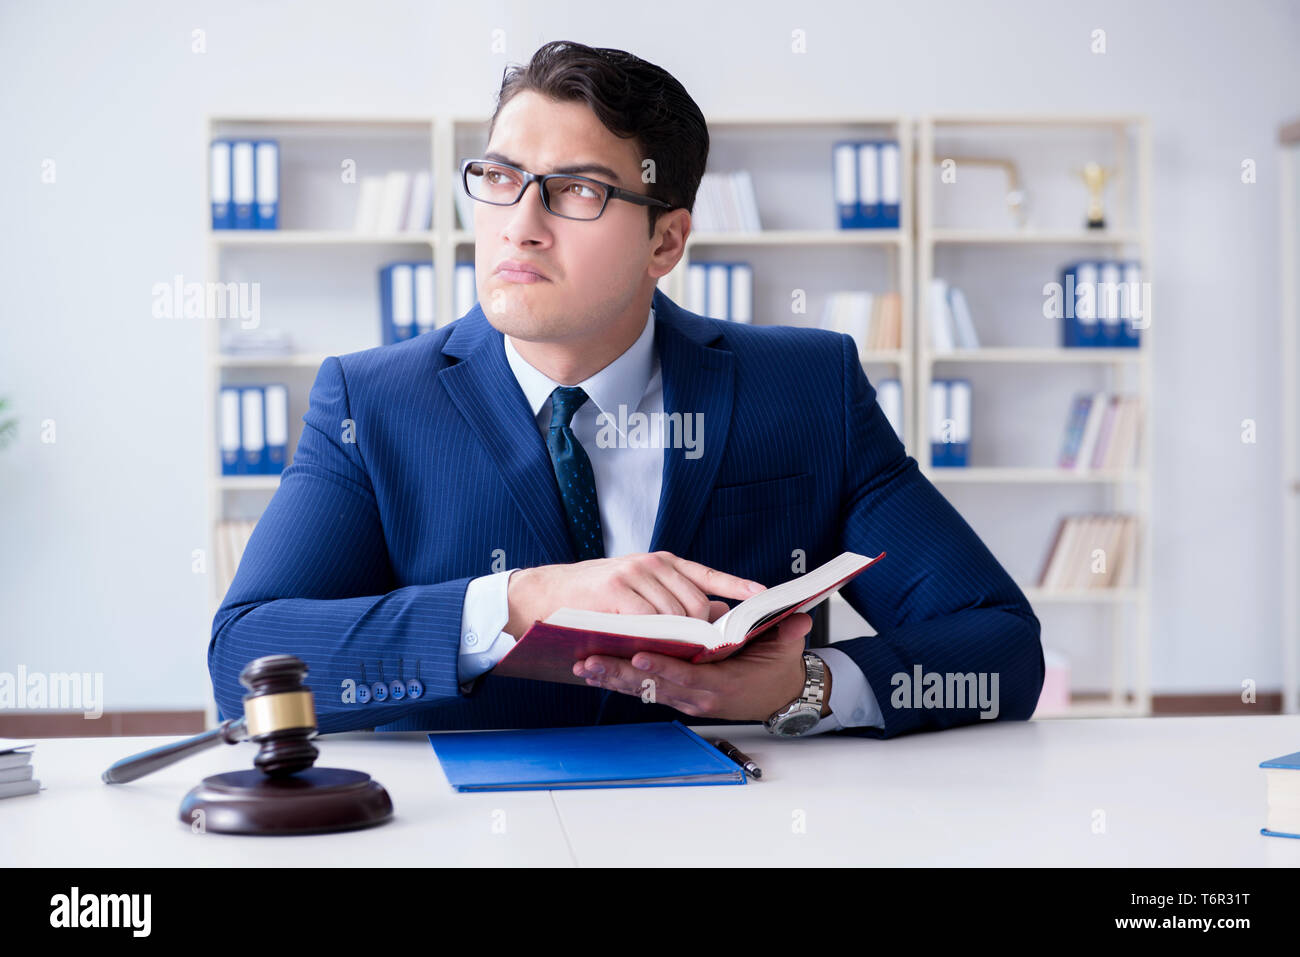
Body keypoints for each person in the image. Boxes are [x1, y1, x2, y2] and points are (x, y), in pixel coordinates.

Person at [209, 40, 1043, 738]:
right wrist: (517, 600)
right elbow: (245, 658)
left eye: (577, 190)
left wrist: (801, 686)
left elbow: (1002, 647)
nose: (521, 223)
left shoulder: (805, 388)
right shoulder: (372, 402)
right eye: (500, 177)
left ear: (666, 242)